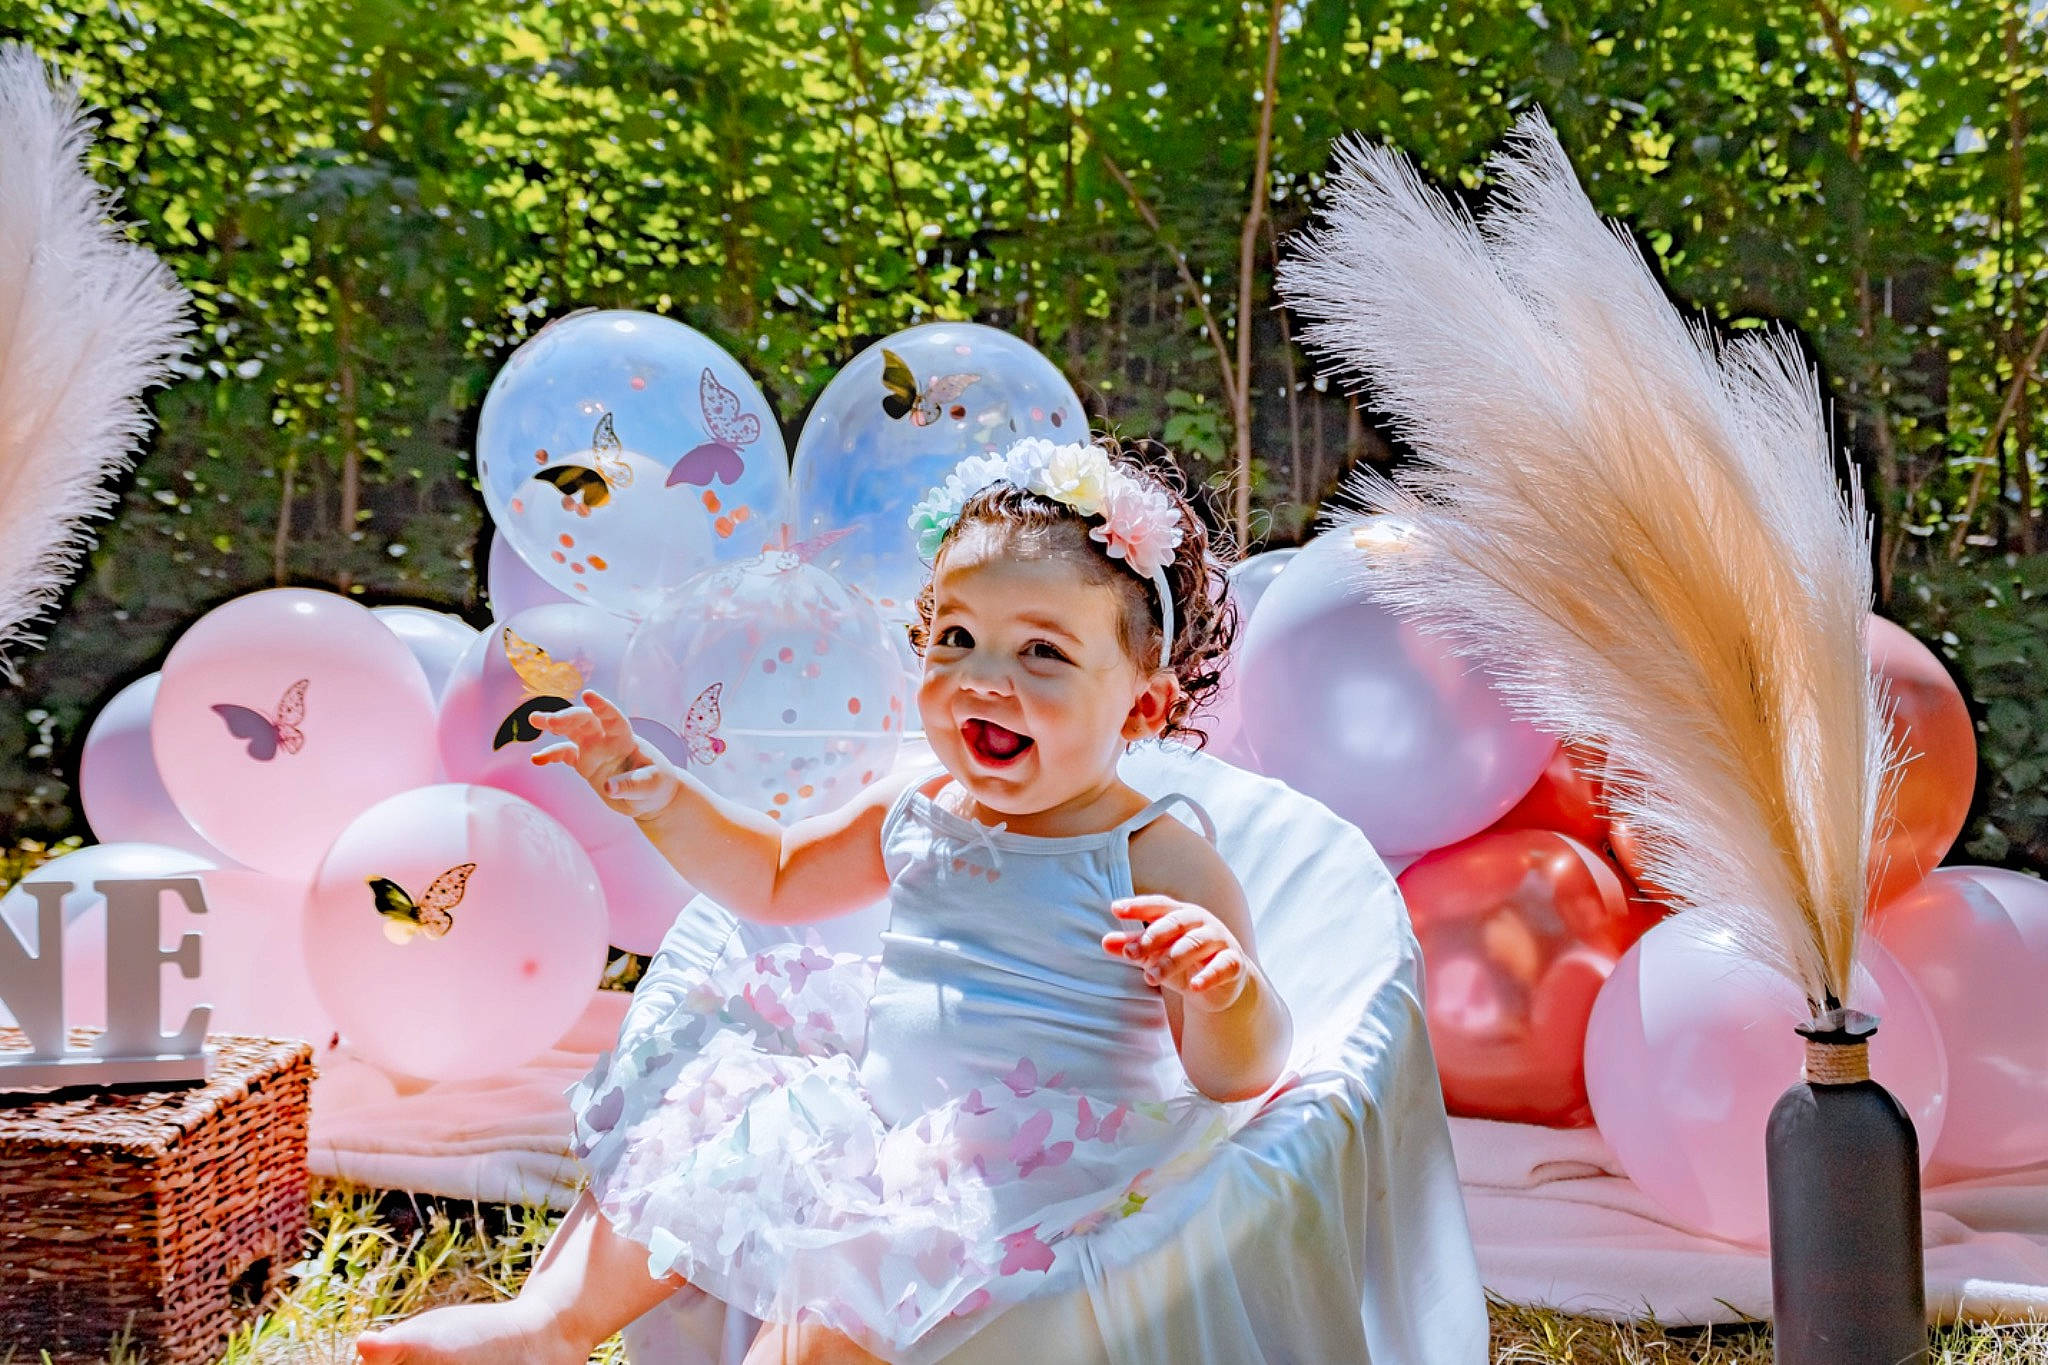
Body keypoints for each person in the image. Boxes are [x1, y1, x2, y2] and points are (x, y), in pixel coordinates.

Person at [356, 436, 1292, 1364]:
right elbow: (770, 872)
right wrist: (652, 785)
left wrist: (1225, 989)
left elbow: (1236, 1075)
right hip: (884, 1130)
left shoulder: (1155, 856)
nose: (983, 678)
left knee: (824, 1323)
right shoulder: (920, 806)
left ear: (1141, 708)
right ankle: (549, 1324)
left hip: (1029, 1177)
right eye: (956, 636)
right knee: (709, 1117)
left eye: (1042, 651)